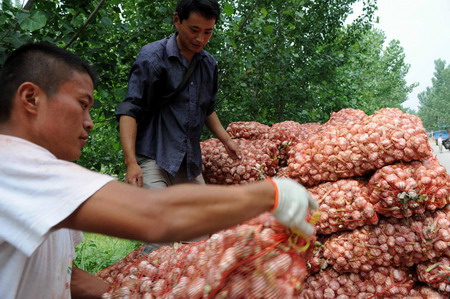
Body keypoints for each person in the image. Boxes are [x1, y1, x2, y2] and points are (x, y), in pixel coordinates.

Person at [0, 42, 317, 298]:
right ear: (30, 98)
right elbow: (155, 215)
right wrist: (271, 193)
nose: (89, 122)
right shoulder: (12, 164)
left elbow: (64, 273)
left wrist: (126, 291)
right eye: (82, 104)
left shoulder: (35, 174)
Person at [116, 0, 241, 252]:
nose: (200, 39)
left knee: (199, 237)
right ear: (177, 21)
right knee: (158, 232)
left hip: (188, 160)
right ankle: (150, 288)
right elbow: (130, 110)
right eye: (194, 30)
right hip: (153, 154)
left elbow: (207, 108)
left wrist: (227, 140)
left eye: (208, 32)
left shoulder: (208, 64)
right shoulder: (153, 57)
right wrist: (131, 163)